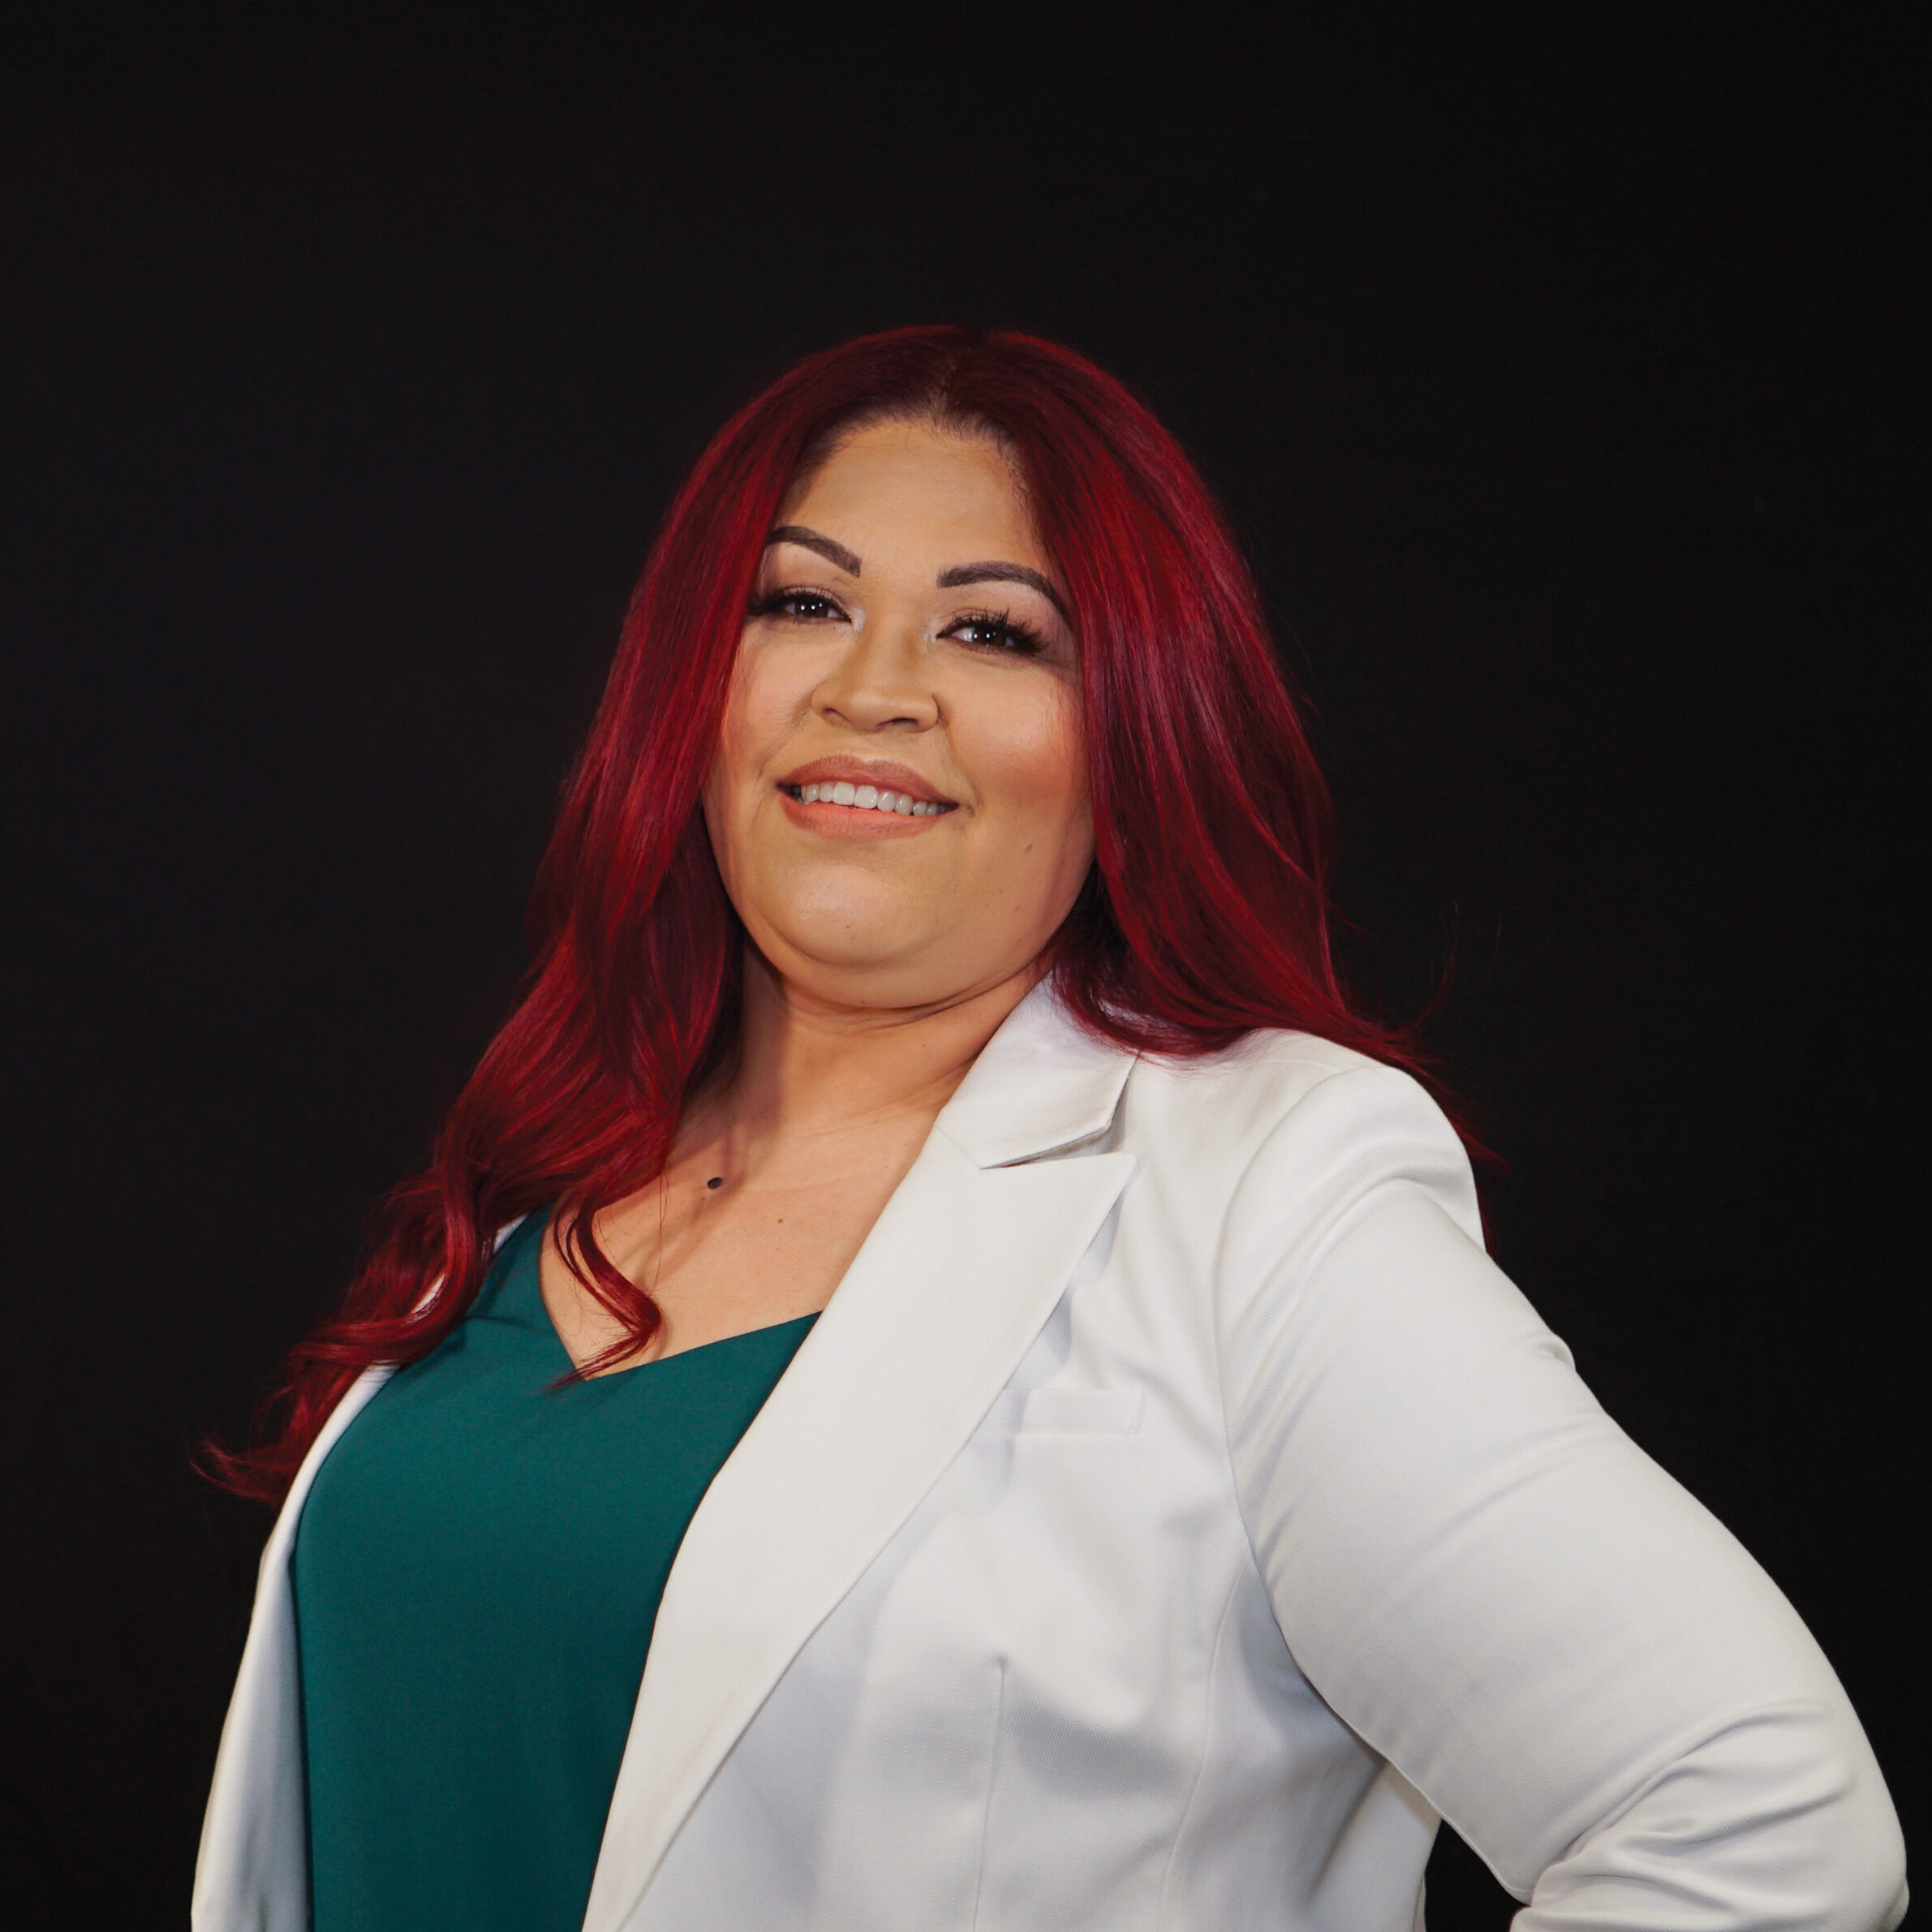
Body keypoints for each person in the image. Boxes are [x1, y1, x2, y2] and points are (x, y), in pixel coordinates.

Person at [194, 326, 1906, 1932]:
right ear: (695, 687)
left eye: (996, 631)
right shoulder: (560, 1165)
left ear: (1137, 736)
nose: (876, 689)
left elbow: (1754, 1821)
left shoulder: (1265, 1188)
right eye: (802, 603)